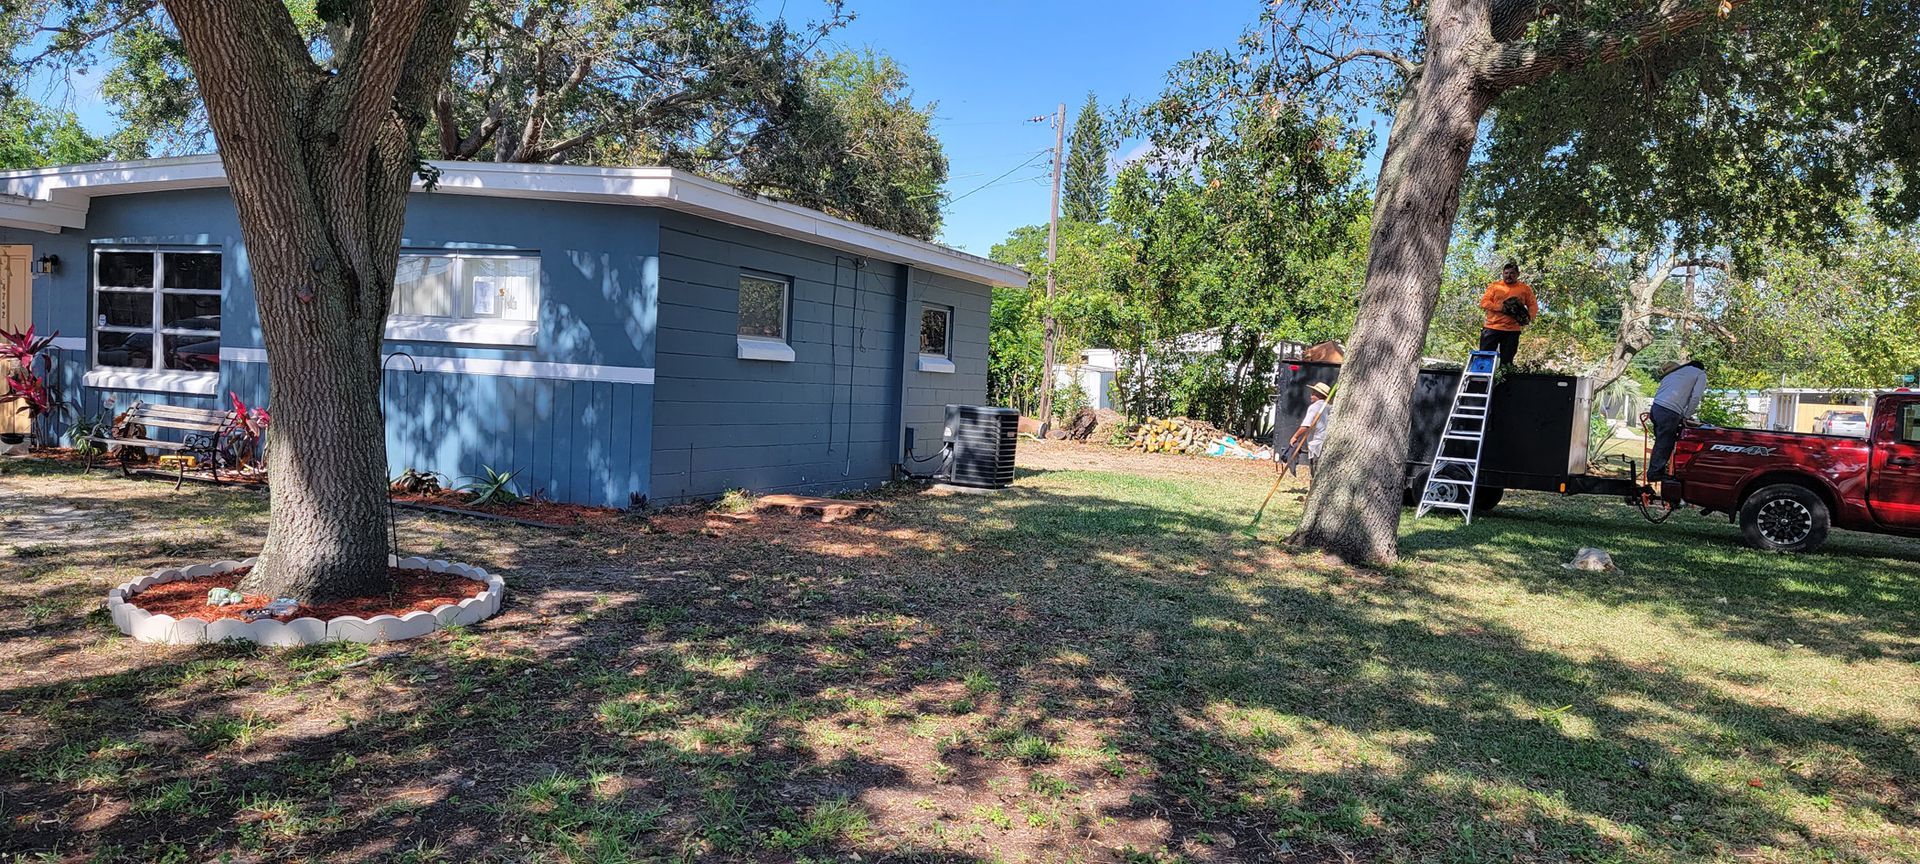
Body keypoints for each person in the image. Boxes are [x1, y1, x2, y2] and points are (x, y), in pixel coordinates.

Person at [1647, 359, 1707, 482]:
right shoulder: (1700, 374)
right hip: (1669, 411)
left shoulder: (1676, 372)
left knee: (1661, 442)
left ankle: (1657, 470)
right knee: (1665, 443)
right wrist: (1686, 416)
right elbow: (1695, 397)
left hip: (1656, 408)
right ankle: (1655, 473)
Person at [1478, 261, 1538, 368]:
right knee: (1484, 359)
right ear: (1502, 274)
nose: (1508, 276)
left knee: (1507, 361)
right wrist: (1501, 308)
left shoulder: (1525, 288)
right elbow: (1484, 302)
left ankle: (1504, 382)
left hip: (1512, 330)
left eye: (1512, 273)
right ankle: (1480, 382)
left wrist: (1529, 317)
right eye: (1506, 273)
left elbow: (1533, 305)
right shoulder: (1495, 286)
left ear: (1517, 274)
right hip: (1492, 327)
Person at [1288, 381, 1333, 478]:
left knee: (1315, 472)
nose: (1311, 394)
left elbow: (1305, 426)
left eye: (1313, 392)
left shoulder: (1315, 407)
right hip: (1328, 444)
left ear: (1318, 394)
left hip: (1316, 444)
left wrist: (1295, 437)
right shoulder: (1330, 408)